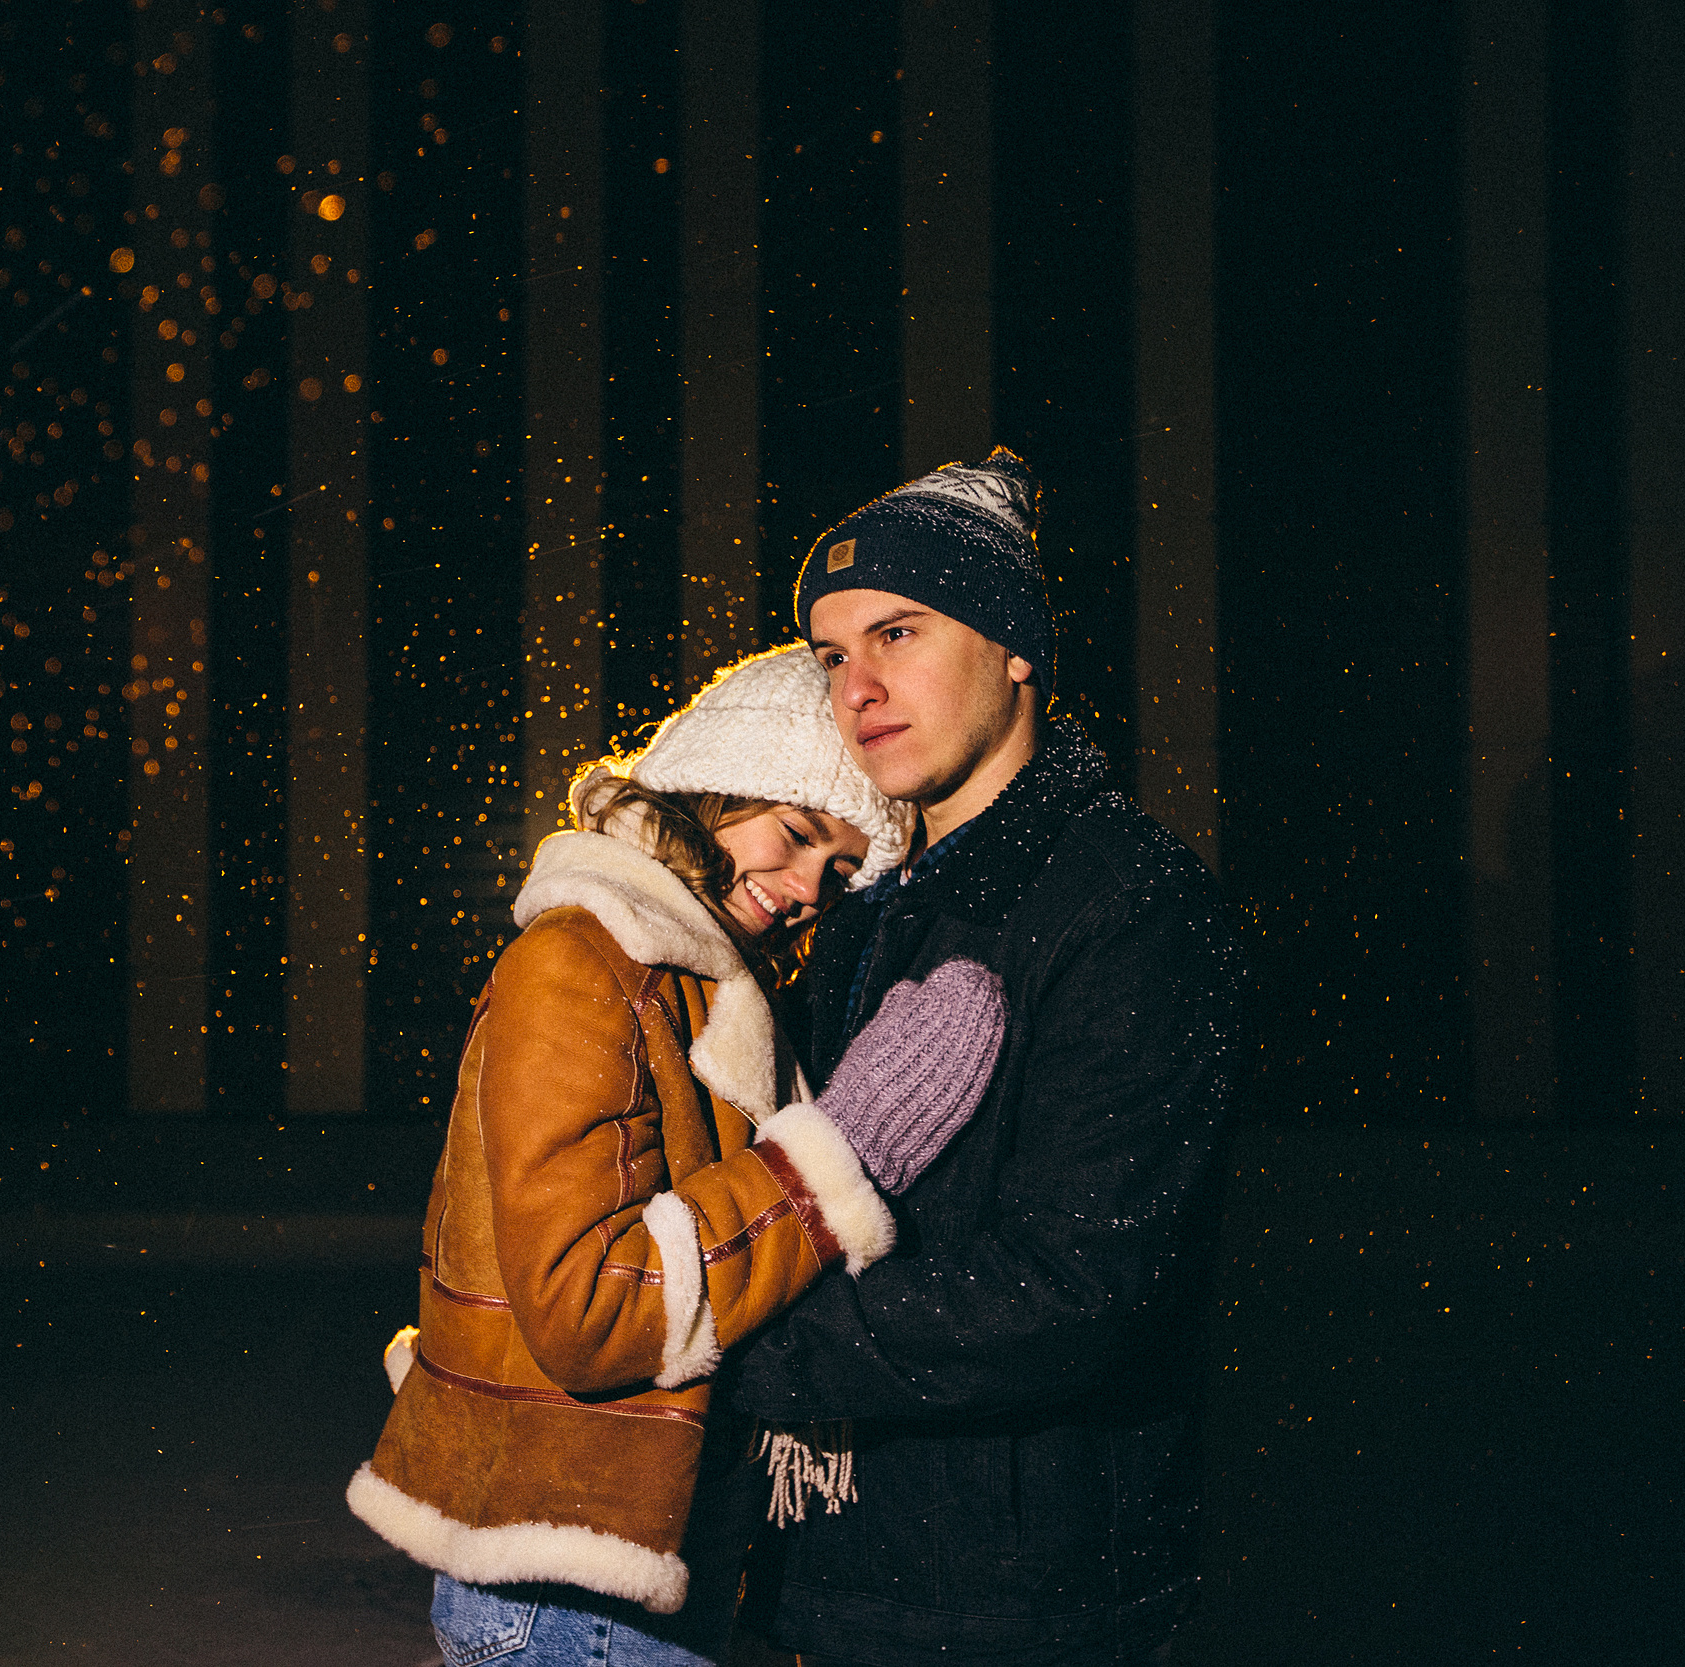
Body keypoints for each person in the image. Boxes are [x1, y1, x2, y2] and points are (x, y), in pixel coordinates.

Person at [347, 643, 1014, 1666]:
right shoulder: (582, 962)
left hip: (627, 1558)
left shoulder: (700, 979)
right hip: (569, 1590)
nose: (805, 887)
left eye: (838, 868)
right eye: (794, 834)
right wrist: (827, 1162)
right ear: (712, 789)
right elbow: (590, 1308)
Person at [728, 448, 1246, 1665]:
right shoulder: (858, 899)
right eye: (830, 653)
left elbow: (1080, 1289)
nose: (856, 686)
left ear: (1016, 647)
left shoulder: (1130, 905)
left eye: (898, 632)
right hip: (831, 1558)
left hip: (1022, 1593)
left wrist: (725, 1341)